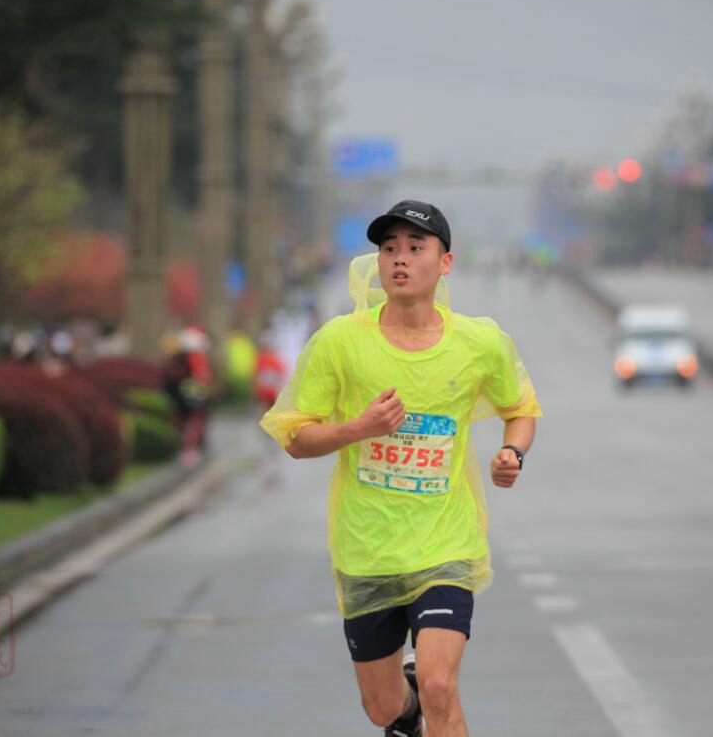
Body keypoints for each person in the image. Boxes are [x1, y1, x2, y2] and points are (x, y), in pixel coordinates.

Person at [260, 200, 542, 736]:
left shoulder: (479, 342)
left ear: (446, 262)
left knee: (440, 685)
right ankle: (407, 715)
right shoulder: (341, 342)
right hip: (367, 549)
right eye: (389, 248)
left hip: (446, 545)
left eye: (415, 247)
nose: (400, 259)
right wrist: (358, 428)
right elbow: (294, 437)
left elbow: (521, 408)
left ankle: (425, 699)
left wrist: (514, 453)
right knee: (383, 708)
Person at [162, 325, 214, 464]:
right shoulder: (193, 359)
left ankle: (187, 448)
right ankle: (188, 449)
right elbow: (202, 378)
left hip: (187, 399)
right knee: (191, 424)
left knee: (185, 424)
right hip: (193, 400)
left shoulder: (178, 360)